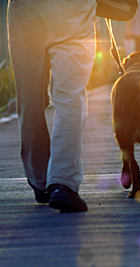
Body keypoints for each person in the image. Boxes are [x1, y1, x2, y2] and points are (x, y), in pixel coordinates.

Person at [7, 0, 97, 212]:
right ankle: (62, 183)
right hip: (72, 10)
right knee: (70, 97)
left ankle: (40, 180)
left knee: (30, 97)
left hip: (26, 10)